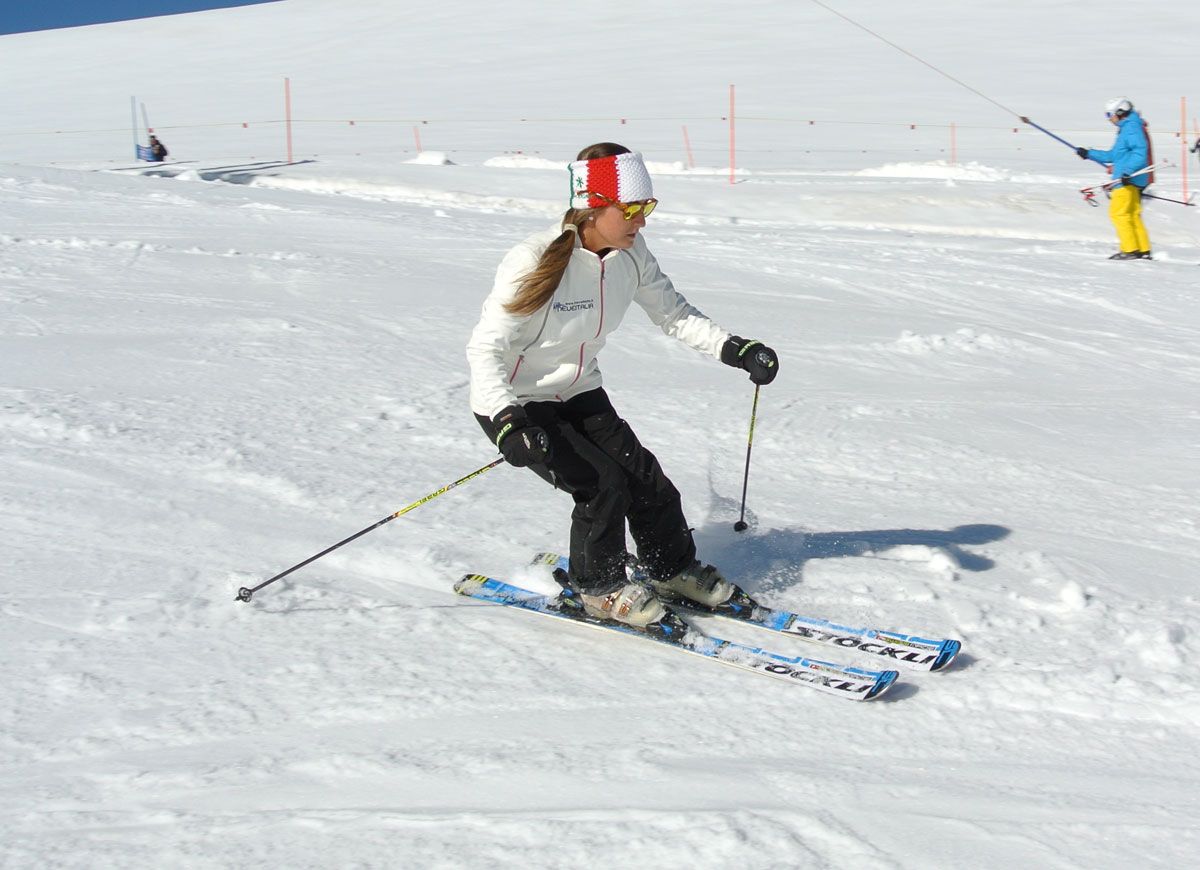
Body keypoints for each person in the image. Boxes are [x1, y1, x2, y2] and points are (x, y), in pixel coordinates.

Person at [466, 143, 779, 629]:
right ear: (592, 206)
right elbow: (486, 350)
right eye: (631, 208)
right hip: (518, 404)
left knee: (646, 481)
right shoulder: (533, 261)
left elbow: (673, 313)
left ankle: (671, 569)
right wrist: (508, 421)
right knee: (601, 485)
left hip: (580, 392)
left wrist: (733, 348)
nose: (642, 221)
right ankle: (598, 587)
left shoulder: (632, 255)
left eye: (647, 207)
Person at [1075, 97, 1152, 260]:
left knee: (1118, 214)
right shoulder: (1130, 127)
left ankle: (1130, 250)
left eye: (1109, 114)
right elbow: (1114, 155)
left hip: (1126, 180)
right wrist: (1089, 153)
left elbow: (1140, 152)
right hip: (1131, 179)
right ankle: (1142, 250)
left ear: (1120, 112)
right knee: (1132, 214)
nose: (1109, 118)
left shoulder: (1130, 128)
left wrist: (1127, 172)